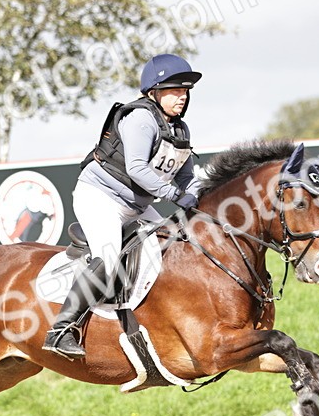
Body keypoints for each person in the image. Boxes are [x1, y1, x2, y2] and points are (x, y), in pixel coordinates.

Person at [41, 53, 203, 359]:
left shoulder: (180, 129)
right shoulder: (140, 119)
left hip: (136, 206)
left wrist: (195, 195)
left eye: (185, 90)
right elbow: (137, 169)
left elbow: (186, 177)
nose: (182, 96)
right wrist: (173, 194)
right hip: (100, 196)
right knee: (108, 256)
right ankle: (61, 329)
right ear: (154, 92)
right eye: (174, 90)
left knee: (175, 247)